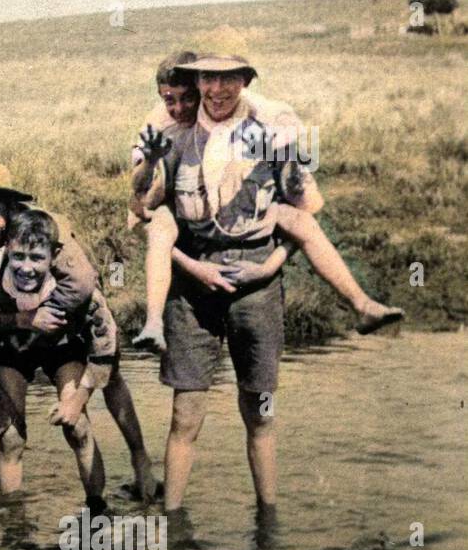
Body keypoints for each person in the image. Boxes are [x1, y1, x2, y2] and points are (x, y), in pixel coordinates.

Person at [138, 39, 319, 513]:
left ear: (247, 80)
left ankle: (268, 522)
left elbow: (305, 214)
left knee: (260, 409)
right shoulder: (172, 133)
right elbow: (145, 215)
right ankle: (172, 522)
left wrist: (271, 265)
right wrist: (195, 267)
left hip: (256, 288)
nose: (217, 89)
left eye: (229, 77)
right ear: (195, 82)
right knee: (186, 412)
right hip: (192, 291)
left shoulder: (271, 132)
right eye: (207, 78)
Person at [130, 46, 403, 354]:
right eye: (170, 100)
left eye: (188, 98)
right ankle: (153, 322)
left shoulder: (263, 117)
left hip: (249, 232)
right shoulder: (162, 126)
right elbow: (137, 210)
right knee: (160, 225)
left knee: (299, 220)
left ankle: (361, 303)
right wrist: (192, 265)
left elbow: (308, 203)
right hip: (188, 232)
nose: (180, 108)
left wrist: (269, 266)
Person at [0, 161, 157, 498]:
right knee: (3, 424)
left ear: (11, 210)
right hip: (9, 335)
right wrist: (22, 321)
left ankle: (136, 459)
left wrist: (47, 315)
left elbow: (83, 287)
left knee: (93, 400)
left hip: (65, 330)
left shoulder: (46, 233)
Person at [0, 208, 112, 510]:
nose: (26, 267)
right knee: (9, 433)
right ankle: (12, 521)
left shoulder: (78, 288)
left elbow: (105, 349)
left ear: (53, 257)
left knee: (77, 427)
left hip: (62, 346)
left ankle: (97, 508)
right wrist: (1, 397)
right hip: (12, 347)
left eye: (37, 258)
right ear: (7, 248)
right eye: (19, 256)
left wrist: (77, 400)